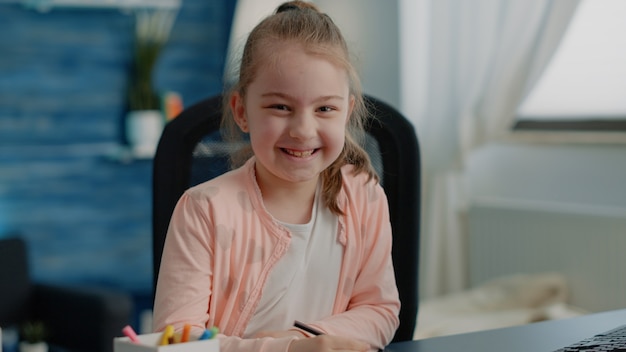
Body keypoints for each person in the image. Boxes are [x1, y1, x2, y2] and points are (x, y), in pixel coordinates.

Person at [152, 1, 400, 351]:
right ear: (242, 111)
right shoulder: (203, 210)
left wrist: (301, 338)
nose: (302, 129)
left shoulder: (364, 195)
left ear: (347, 113)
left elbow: (379, 309)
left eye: (325, 108)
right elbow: (177, 340)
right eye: (280, 107)